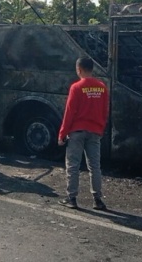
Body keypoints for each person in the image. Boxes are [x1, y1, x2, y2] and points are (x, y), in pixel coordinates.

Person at [57, 57, 109, 210]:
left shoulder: (76, 87)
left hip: (77, 132)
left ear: (79, 69)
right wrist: (100, 128)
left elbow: (69, 113)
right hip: (94, 131)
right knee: (95, 166)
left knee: (73, 165)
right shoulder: (102, 87)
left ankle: (71, 198)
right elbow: (105, 111)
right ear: (92, 69)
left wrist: (62, 134)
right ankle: (98, 200)